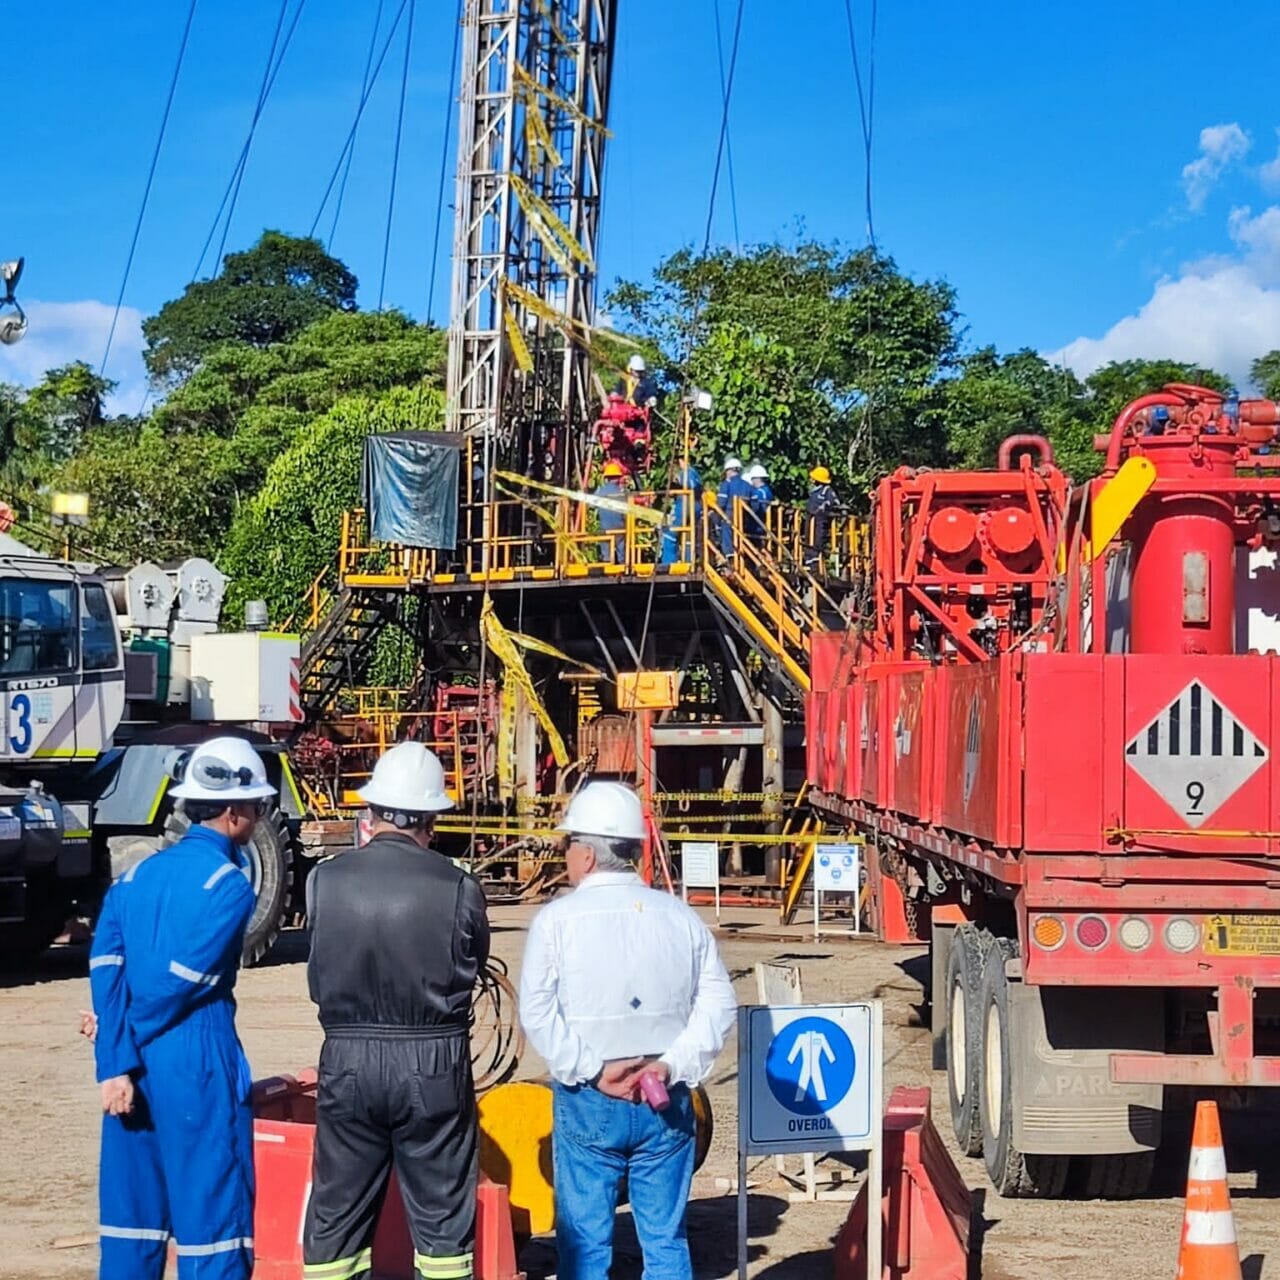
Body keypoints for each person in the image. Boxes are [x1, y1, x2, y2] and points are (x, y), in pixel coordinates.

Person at [519, 782, 737, 1280]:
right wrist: (671, 1064)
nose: (566, 855)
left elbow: (536, 1010)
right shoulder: (680, 918)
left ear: (590, 857)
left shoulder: (557, 921)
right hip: (665, 1095)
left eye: (569, 845)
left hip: (592, 1099)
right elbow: (719, 1003)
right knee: (664, 1240)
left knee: (585, 1244)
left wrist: (592, 1070)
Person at [90, 736, 276, 1280]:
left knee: (132, 1219)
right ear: (236, 811)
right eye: (259, 805)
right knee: (213, 1214)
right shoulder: (230, 885)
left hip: (131, 1067)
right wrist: (124, 1036)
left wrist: (114, 1054)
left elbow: (106, 965)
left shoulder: (134, 878)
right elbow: (183, 983)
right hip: (194, 1055)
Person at [304, 742, 490, 1280]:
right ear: (430, 819)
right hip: (432, 1062)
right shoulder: (459, 885)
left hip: (346, 1060)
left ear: (371, 812)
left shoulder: (324, 880)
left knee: (335, 1216)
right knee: (442, 1224)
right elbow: (474, 963)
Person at [659, 463, 703, 566]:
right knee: (688, 536)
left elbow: (687, 486)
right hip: (696, 506)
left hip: (684, 505)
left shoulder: (685, 473)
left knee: (669, 533)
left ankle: (668, 562)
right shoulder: (695, 474)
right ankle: (688, 562)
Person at [715, 457, 755, 562]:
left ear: (729, 470)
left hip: (729, 515)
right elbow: (754, 504)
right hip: (743, 517)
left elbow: (721, 503)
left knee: (723, 529)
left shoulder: (726, 485)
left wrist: (717, 518)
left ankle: (728, 554)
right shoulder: (748, 485)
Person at [804, 464, 841, 574]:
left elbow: (836, 502)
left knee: (818, 541)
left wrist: (824, 506)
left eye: (813, 478)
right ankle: (809, 562)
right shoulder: (813, 491)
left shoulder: (827, 490)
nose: (811, 480)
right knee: (808, 539)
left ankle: (816, 565)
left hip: (821, 520)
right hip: (810, 518)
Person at [594, 460, 628, 564]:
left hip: (605, 529)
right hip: (619, 528)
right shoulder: (621, 493)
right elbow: (626, 512)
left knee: (606, 550)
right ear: (618, 478)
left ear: (606, 478)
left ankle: (607, 563)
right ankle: (623, 565)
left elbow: (591, 504)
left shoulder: (600, 491)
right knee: (621, 546)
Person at [744, 463, 773, 551]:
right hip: (759, 524)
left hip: (757, 525)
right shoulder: (766, 490)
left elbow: (757, 508)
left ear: (756, 479)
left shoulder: (760, 492)